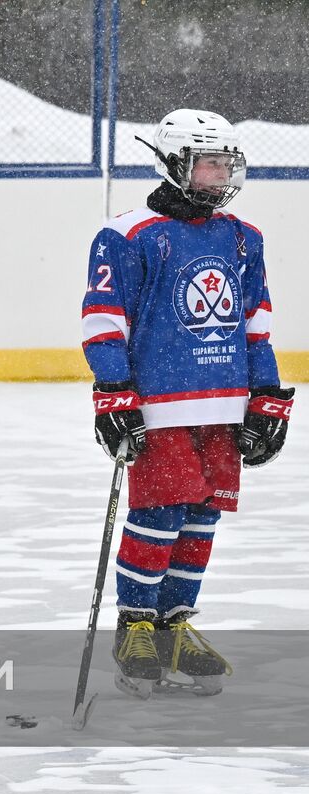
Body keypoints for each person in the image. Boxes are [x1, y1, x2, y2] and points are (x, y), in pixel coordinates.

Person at [82, 108, 293, 698]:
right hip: (161, 407)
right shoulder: (126, 235)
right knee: (159, 515)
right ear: (174, 166)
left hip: (223, 406)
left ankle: (174, 626)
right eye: (208, 165)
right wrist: (113, 393)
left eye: (228, 163)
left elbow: (255, 323)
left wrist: (266, 396)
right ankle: (136, 628)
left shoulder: (243, 238)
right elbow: (103, 321)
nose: (221, 175)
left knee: (202, 517)